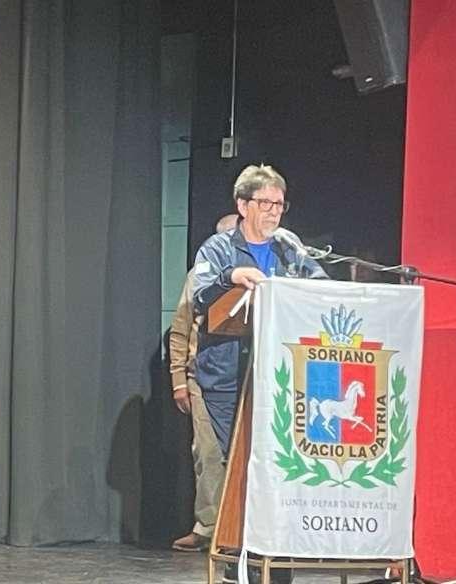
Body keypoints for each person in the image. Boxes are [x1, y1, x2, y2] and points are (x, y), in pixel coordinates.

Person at [190, 165, 327, 584]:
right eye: (265, 203)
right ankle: (236, 560)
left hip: (281, 376)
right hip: (227, 375)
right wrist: (231, 276)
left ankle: (274, 560)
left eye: (279, 205)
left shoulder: (289, 248)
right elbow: (199, 294)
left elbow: (322, 287)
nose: (273, 212)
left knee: (275, 466)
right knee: (237, 467)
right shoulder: (218, 248)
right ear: (243, 204)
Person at [168, 214, 237, 553]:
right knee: (208, 452)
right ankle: (208, 527)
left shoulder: (261, 276)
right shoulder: (199, 277)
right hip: (204, 375)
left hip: (248, 374)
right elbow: (180, 329)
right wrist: (178, 380)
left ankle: (240, 529)